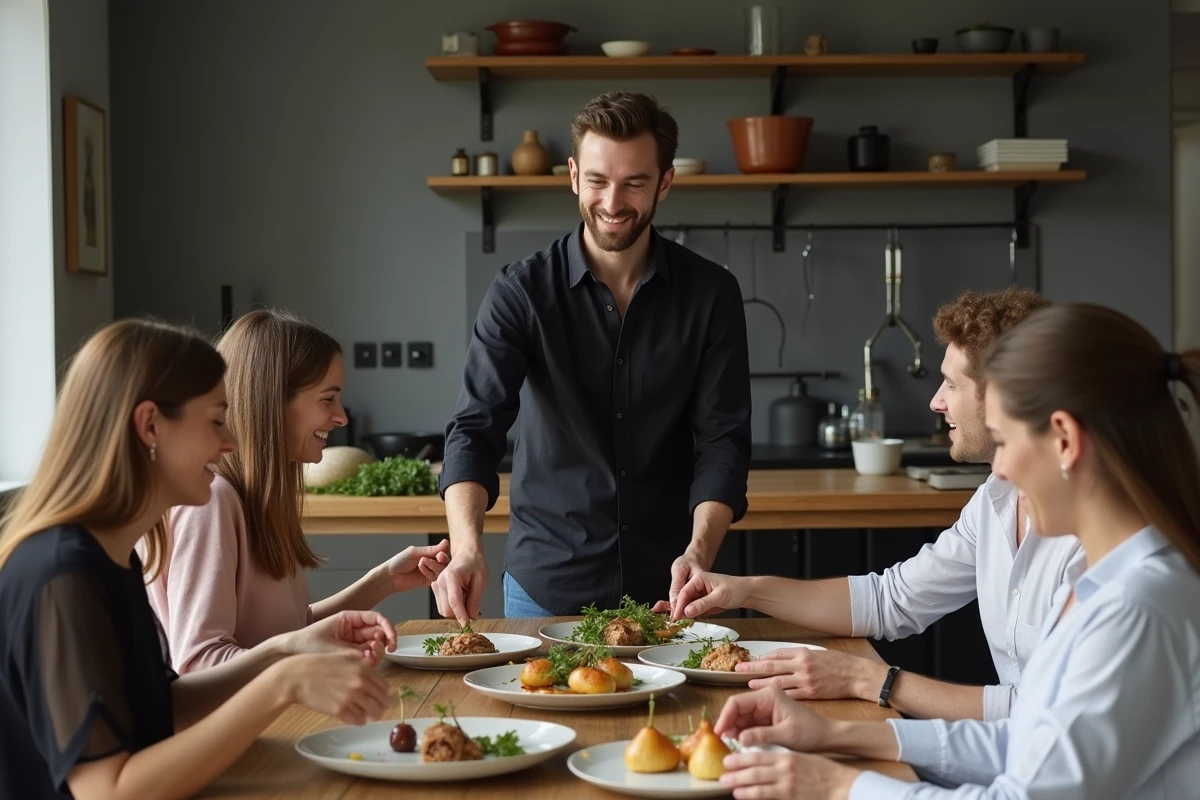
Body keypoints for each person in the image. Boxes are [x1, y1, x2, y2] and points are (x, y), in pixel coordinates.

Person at [711, 302, 1200, 799]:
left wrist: (838, 785)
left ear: (1065, 441)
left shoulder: (1135, 608)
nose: (1001, 472)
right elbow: (1028, 740)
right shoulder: (1104, 580)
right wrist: (835, 734)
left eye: (1005, 441)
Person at [0, 319, 394, 800]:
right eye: (215, 421)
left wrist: (287, 651)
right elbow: (108, 790)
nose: (230, 443)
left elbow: (166, 707)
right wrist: (281, 684)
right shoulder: (64, 576)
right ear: (150, 426)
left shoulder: (106, 558)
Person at [672, 287, 1085, 721]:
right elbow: (893, 599)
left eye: (951, 384)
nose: (935, 401)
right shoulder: (995, 501)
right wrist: (744, 590)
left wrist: (870, 680)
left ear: (1007, 395)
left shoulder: (1092, 538)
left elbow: (1052, 715)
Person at [433, 90, 752, 621]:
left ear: (665, 183)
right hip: (545, 588)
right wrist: (466, 549)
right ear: (575, 175)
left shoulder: (711, 294)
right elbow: (474, 429)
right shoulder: (521, 292)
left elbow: (723, 441)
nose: (612, 202)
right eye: (599, 181)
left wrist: (699, 552)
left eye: (634, 183)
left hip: (672, 592)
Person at [145, 309, 448, 673]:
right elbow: (199, 664)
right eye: (327, 399)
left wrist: (384, 580)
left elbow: (287, 633)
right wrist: (306, 660)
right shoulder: (211, 502)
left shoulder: (259, 499)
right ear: (273, 402)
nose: (341, 417)